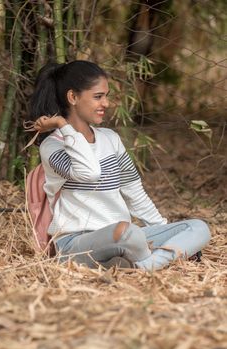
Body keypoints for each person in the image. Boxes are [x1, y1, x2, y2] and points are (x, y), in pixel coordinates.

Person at [29, 60, 211, 270]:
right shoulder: (53, 147)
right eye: (98, 96)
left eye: (106, 96)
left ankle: (142, 265)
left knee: (197, 227)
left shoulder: (110, 139)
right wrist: (63, 125)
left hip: (122, 236)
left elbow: (135, 193)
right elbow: (90, 173)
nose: (106, 103)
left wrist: (165, 231)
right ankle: (150, 261)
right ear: (73, 97)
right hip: (76, 243)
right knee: (129, 234)